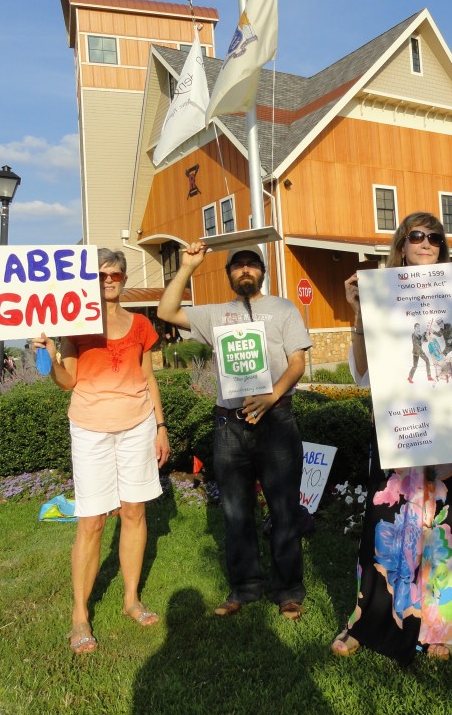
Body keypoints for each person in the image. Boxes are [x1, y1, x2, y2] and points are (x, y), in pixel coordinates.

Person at [332, 212, 452, 664]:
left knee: (449, 527)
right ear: (402, 245)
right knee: (392, 525)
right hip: (402, 431)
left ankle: (445, 624)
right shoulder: (383, 296)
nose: (426, 242)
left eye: (434, 237)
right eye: (416, 236)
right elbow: (363, 373)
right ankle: (372, 616)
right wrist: (358, 314)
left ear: (443, 246)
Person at [157, 242, 311, 620]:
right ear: (228, 274)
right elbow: (166, 311)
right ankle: (244, 588)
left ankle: (287, 590)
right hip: (229, 424)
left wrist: (270, 397)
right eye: (237, 265)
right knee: (235, 512)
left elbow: (298, 362)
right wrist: (189, 266)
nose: (245, 270)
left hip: (277, 421)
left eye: (252, 264)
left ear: (262, 270)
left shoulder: (284, 309)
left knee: (284, 509)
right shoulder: (215, 314)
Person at [34, 248, 170, 655]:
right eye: (102, 275)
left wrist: (161, 426)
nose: (109, 280)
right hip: (91, 428)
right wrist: (48, 352)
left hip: (138, 425)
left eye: (116, 275)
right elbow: (65, 380)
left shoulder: (141, 324)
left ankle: (131, 600)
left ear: (124, 279)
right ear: (92, 279)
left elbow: (148, 377)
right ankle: (80, 615)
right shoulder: (74, 321)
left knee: (134, 511)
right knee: (91, 521)